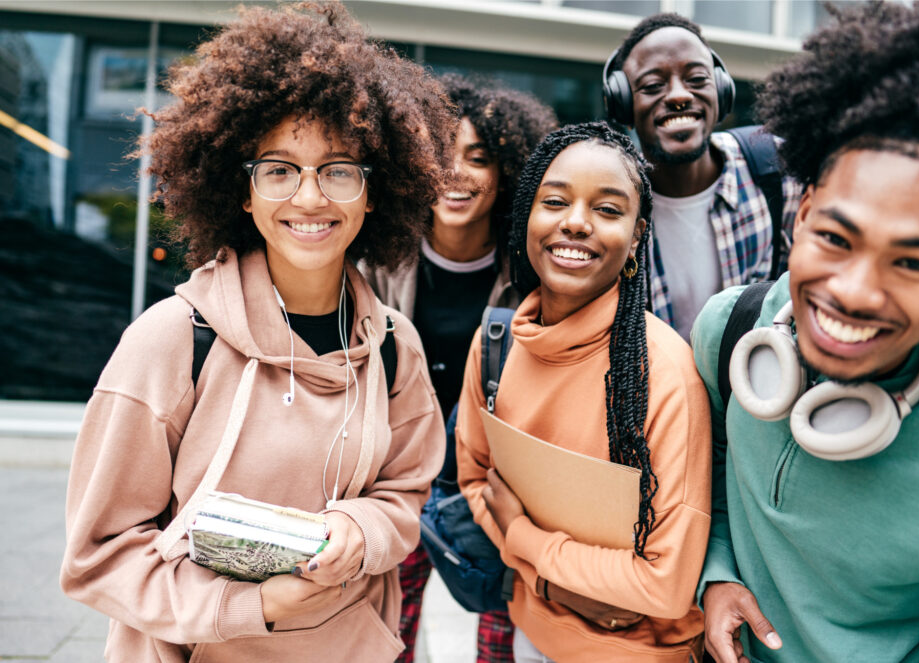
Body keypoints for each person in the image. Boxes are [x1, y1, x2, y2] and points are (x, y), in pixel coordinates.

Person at [58, 4, 451, 661]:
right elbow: (97, 555)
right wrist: (255, 605)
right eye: (279, 169)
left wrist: (359, 525)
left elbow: (405, 493)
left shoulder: (392, 345)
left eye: (338, 169)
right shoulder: (174, 340)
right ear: (242, 192)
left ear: (373, 192)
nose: (309, 197)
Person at [691, 2, 919, 662]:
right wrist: (717, 573)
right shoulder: (727, 330)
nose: (854, 291)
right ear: (804, 208)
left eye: (912, 261)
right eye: (836, 237)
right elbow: (711, 472)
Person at [456, 121, 712, 663]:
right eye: (554, 202)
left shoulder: (665, 377)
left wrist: (527, 544)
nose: (575, 224)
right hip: (531, 633)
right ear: (527, 212)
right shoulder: (496, 343)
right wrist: (554, 586)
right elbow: (476, 480)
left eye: (608, 210)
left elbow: (665, 586)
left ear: (638, 235)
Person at [363, 72, 557, 663]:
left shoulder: (530, 273)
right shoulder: (377, 259)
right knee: (387, 634)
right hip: (399, 478)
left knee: (499, 639)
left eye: (478, 157)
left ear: (506, 175)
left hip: (492, 485)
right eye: (441, 153)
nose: (457, 172)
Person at [605, 13, 804, 340]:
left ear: (721, 89)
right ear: (623, 104)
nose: (679, 96)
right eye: (653, 86)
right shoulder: (611, 204)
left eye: (697, 79)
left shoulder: (779, 170)